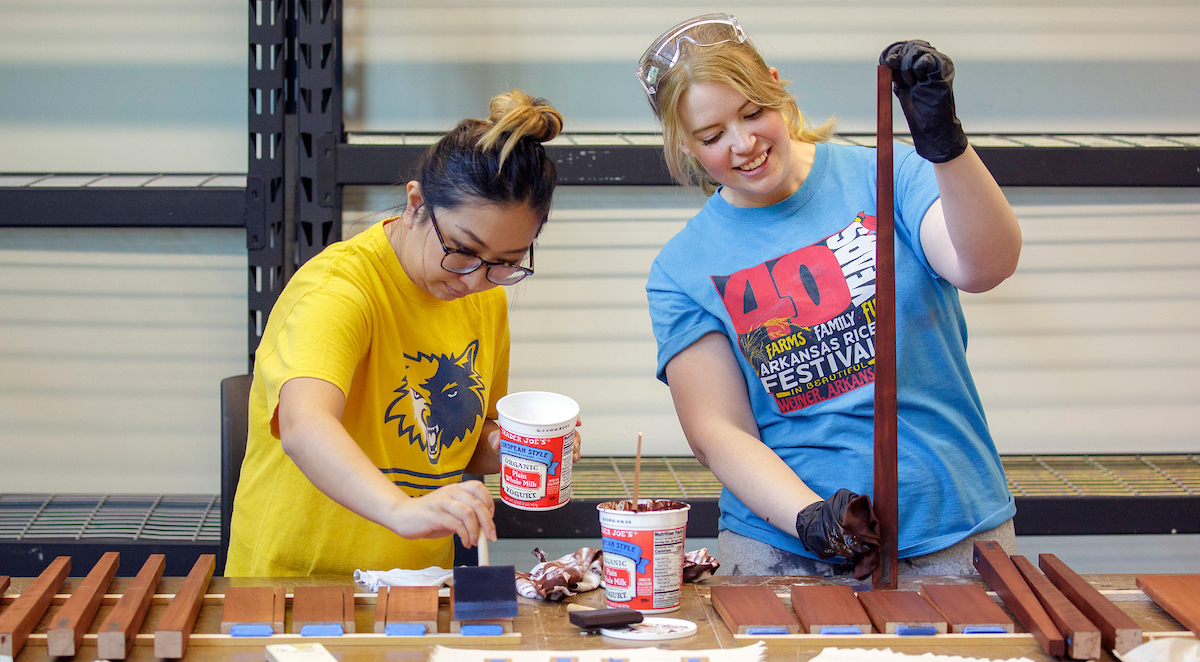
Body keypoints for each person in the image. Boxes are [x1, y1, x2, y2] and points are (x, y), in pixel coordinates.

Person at [638, 15, 1022, 577]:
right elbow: (718, 431)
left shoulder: (888, 175)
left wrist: (947, 149)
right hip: (785, 547)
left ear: (776, 87)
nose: (744, 144)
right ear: (685, 145)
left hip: (952, 526)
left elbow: (984, 266)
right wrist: (811, 518)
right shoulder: (681, 268)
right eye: (712, 135)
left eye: (752, 112)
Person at [227, 90, 576, 577]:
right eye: (462, 249)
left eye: (506, 263)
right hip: (300, 582)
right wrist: (401, 511)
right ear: (416, 204)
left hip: (414, 584)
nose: (475, 279)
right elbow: (304, 427)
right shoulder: (339, 289)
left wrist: (511, 448)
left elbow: (469, 442)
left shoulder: (483, 295)